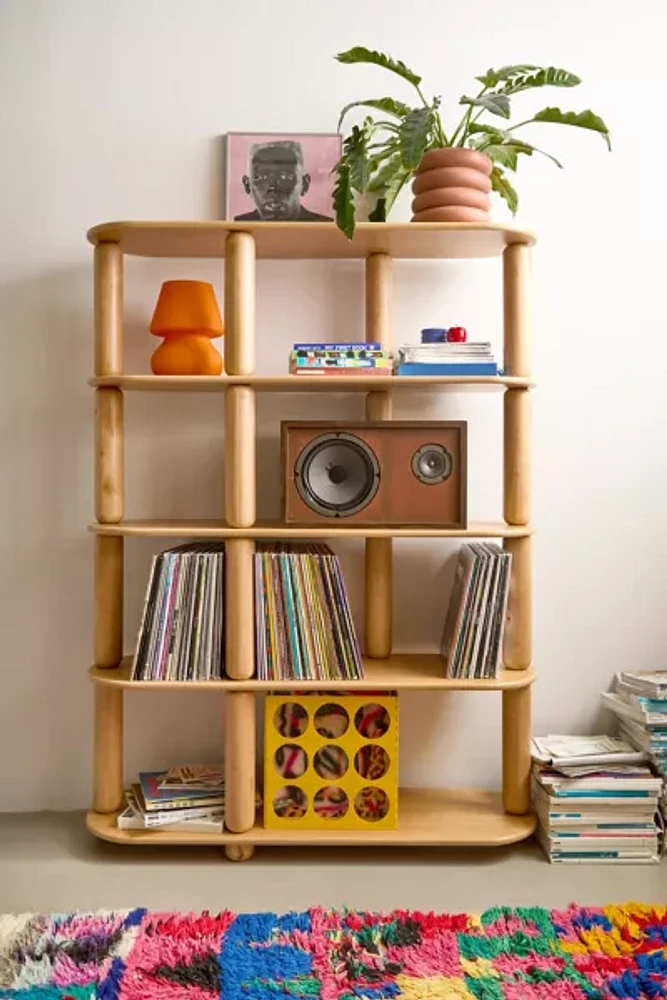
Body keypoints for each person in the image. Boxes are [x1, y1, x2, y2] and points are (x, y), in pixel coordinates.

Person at [234, 140, 333, 221]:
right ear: (247, 186)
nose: (273, 188)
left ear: (305, 184)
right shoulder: (238, 225)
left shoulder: (326, 227)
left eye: (285, 177)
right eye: (262, 177)